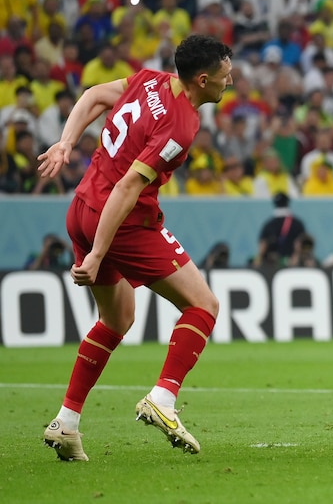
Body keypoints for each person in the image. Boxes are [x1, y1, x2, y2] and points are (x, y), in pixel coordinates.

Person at [37, 35, 234, 460]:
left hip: (83, 205)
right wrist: (99, 252)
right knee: (204, 305)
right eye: (224, 75)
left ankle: (66, 423)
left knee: (116, 318)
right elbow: (129, 186)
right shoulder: (181, 125)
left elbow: (92, 96)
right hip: (123, 222)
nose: (229, 81)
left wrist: (66, 142)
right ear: (203, 79)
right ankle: (163, 399)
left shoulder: (150, 80)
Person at [254, 193, 307, 268]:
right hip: (292, 262)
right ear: (288, 203)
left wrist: (258, 260)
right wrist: (296, 257)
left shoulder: (269, 224)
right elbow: (303, 243)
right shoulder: (297, 223)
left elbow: (263, 245)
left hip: (272, 264)